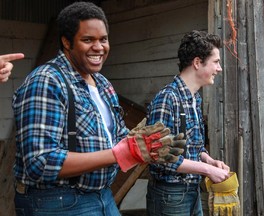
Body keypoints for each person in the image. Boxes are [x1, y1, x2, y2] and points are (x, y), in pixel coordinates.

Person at [12, 2, 185, 215]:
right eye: (87, 40)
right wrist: (122, 152)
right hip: (58, 202)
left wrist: (147, 147)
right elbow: (40, 162)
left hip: (102, 196)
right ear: (67, 42)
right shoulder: (47, 81)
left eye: (103, 39)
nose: (99, 47)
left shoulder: (102, 83)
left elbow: (117, 138)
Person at [146, 30, 230, 216]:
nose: (219, 68)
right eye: (216, 62)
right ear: (197, 63)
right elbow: (159, 156)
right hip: (170, 196)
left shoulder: (195, 98)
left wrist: (209, 161)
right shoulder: (167, 98)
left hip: (192, 192)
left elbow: (193, 146)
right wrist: (207, 170)